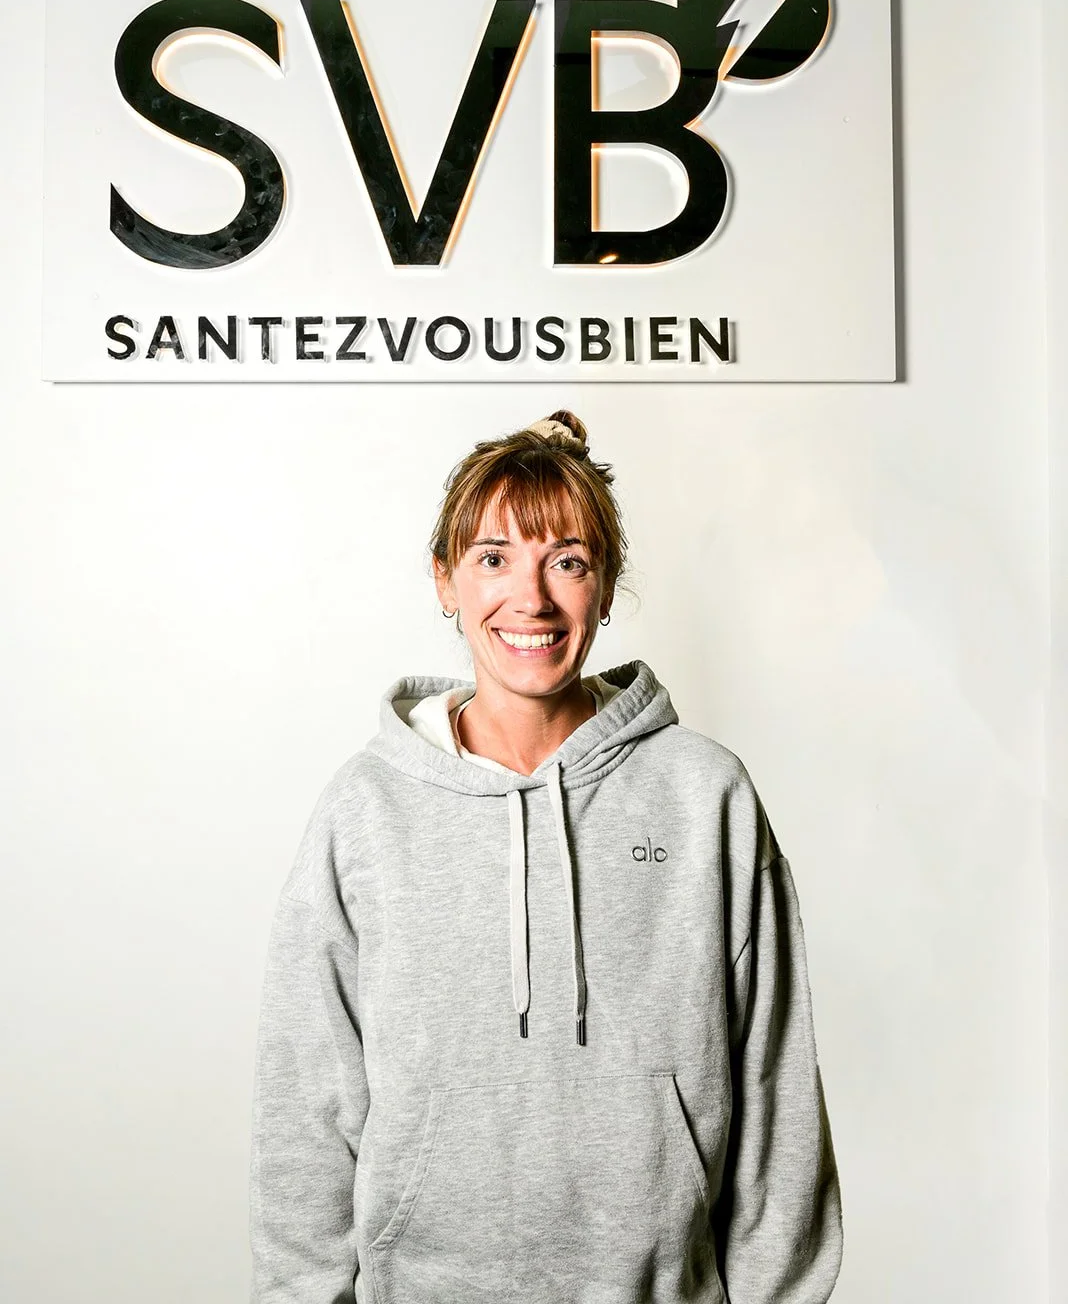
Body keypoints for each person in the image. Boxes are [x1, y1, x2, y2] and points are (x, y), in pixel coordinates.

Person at [248, 409, 843, 1304]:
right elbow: (306, 1102)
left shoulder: (705, 795)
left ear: (604, 589)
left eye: (566, 560)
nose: (530, 598)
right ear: (444, 581)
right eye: (493, 558)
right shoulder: (364, 809)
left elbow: (774, 1089)